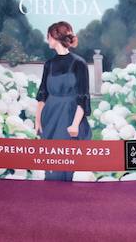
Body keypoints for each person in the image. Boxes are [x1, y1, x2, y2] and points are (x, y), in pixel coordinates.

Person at [35, 21, 91, 182]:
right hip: (49, 117)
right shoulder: (49, 64)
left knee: (67, 161)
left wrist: (74, 124)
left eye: (49, 36)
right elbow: (42, 94)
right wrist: (37, 120)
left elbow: (83, 96)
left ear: (54, 37)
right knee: (50, 161)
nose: (47, 40)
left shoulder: (79, 63)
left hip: (69, 116)